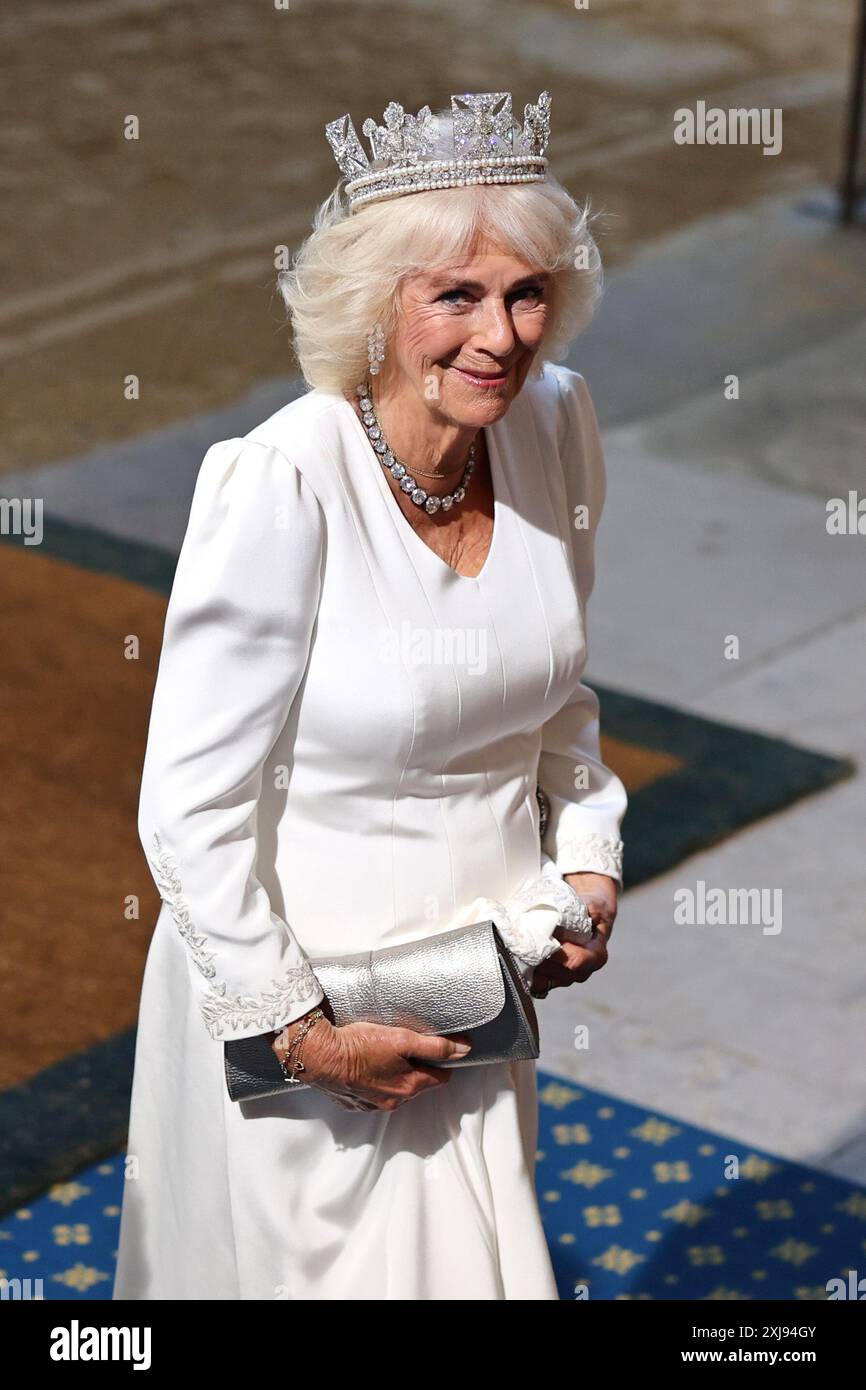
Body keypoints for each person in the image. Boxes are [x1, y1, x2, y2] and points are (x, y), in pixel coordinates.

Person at [113, 89, 627, 1301]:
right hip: (317, 1004)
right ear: (373, 308)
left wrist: (589, 853)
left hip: (480, 989)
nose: (497, 335)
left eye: (525, 290)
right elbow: (186, 806)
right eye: (452, 295)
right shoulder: (280, 483)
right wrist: (300, 1032)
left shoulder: (553, 423)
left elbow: (556, 692)